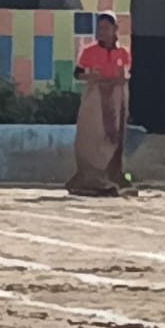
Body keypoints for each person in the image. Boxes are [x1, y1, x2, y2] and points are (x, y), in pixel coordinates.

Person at [66, 12, 135, 197]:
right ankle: (90, 179)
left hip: (116, 98)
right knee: (93, 137)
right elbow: (77, 73)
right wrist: (91, 76)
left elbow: (127, 74)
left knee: (114, 137)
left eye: (106, 28)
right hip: (95, 99)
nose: (102, 32)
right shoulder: (89, 51)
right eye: (100, 28)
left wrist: (123, 78)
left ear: (115, 30)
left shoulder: (124, 53)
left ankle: (111, 178)